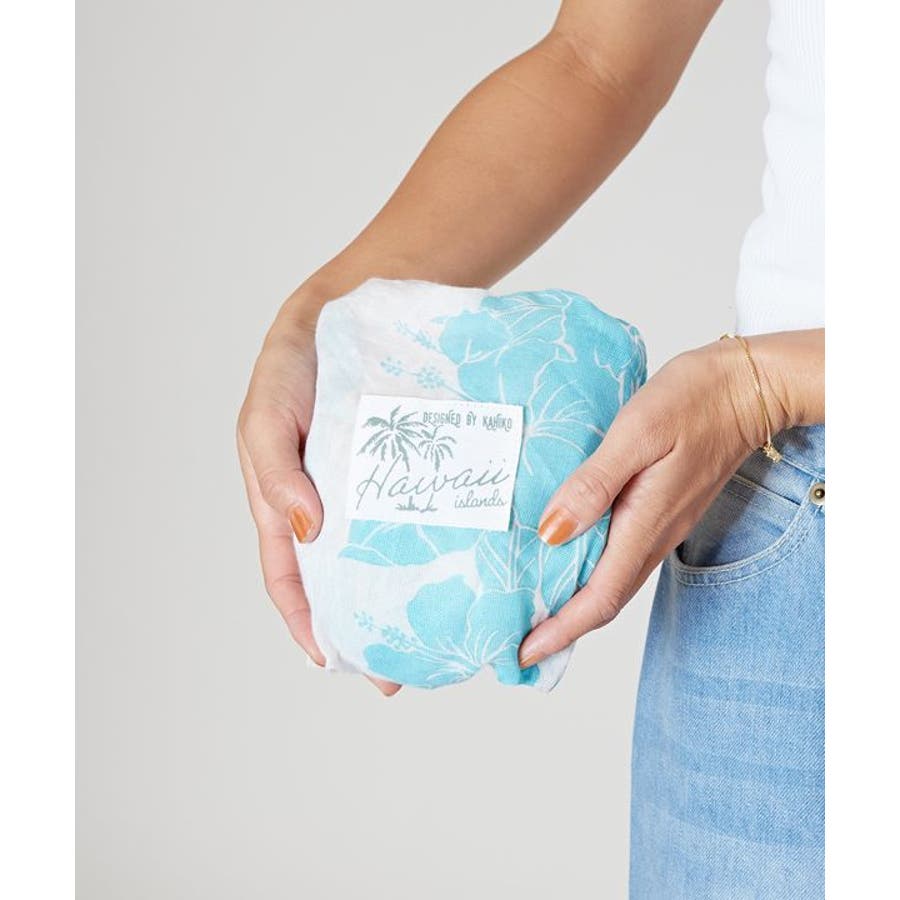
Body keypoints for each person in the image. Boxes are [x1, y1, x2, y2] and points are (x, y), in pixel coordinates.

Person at [237, 0, 824, 895]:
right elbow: (597, 60)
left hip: (770, 424)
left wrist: (766, 384)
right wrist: (320, 321)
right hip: (791, 509)